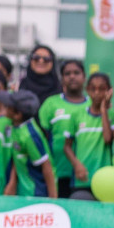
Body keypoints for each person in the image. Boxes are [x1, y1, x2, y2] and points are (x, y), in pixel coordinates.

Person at [39, 58, 87, 199]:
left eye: (76, 73)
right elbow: (43, 137)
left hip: (85, 174)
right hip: (57, 172)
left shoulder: (93, 105)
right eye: (67, 74)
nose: (72, 76)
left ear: (84, 77)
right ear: (62, 79)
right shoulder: (51, 103)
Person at [65, 73, 114, 200]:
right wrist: (77, 165)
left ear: (109, 90)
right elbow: (67, 147)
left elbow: (108, 138)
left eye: (102, 89)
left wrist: (104, 110)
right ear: (87, 90)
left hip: (105, 180)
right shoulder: (77, 115)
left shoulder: (113, 115)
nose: (97, 92)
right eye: (93, 89)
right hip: (82, 178)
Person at [2, 91, 56, 198]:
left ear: (18, 115)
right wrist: (12, 182)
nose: (5, 107)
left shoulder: (29, 136)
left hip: (36, 192)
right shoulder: (15, 127)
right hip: (23, 190)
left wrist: (53, 199)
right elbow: (18, 156)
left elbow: (46, 166)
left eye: (8, 106)